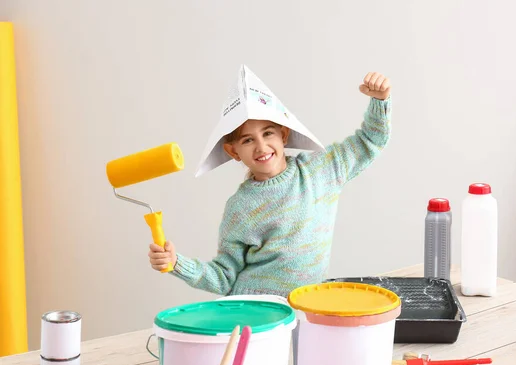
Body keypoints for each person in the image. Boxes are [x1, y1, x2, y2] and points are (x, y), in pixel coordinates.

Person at [148, 71, 392, 297]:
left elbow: (371, 140)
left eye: (268, 133)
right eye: (247, 140)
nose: (261, 147)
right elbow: (223, 277)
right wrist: (177, 263)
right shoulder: (241, 207)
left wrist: (380, 100)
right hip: (255, 315)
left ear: (283, 135)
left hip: (304, 307)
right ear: (233, 152)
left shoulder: (321, 170)